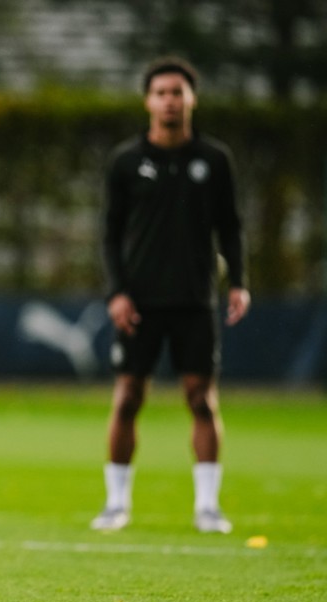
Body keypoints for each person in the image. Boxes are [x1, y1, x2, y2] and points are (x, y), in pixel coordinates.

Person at [93, 56, 249, 534]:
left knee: (202, 399)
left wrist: (239, 281)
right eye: (161, 93)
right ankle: (116, 504)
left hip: (194, 300)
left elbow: (231, 228)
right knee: (127, 398)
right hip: (139, 302)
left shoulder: (214, 160)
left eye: (177, 93)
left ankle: (208, 507)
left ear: (191, 100)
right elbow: (110, 234)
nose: (169, 101)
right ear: (148, 101)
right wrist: (117, 292)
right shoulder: (125, 162)